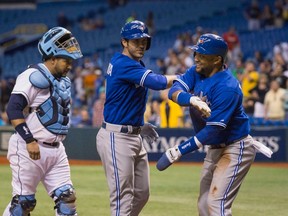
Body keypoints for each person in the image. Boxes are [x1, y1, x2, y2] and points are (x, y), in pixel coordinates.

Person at [96, 20, 205, 216]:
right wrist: (186, 77)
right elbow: (157, 82)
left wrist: (139, 124)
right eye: (135, 41)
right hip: (116, 136)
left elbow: (125, 99)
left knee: (142, 194)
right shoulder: (123, 63)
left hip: (132, 134)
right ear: (124, 42)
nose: (141, 45)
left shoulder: (132, 63)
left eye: (144, 41)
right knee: (122, 198)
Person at [156, 33, 272, 215]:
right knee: (204, 205)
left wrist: (179, 151)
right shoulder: (196, 72)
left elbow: (213, 131)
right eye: (196, 54)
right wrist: (192, 100)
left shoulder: (228, 86)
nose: (196, 59)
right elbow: (174, 91)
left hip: (235, 146)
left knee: (216, 203)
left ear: (217, 59)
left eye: (202, 55)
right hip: (215, 147)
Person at [3, 26, 83, 216]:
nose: (70, 65)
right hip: (29, 148)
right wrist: (29, 140)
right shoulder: (32, 77)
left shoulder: (63, 81)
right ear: (52, 58)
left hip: (57, 150)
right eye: (66, 60)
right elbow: (13, 108)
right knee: (23, 205)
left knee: (67, 201)